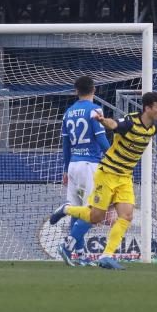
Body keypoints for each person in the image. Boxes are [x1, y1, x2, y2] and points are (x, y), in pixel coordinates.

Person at [49, 92, 157, 270]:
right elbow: (114, 124)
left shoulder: (152, 127)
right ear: (147, 108)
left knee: (126, 216)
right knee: (96, 216)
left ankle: (107, 255)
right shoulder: (130, 122)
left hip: (125, 177)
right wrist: (102, 120)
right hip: (107, 173)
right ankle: (66, 209)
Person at [58, 76, 110, 266]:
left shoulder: (69, 112)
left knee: (77, 211)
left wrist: (65, 170)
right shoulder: (95, 110)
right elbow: (101, 139)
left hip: (73, 164)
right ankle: (68, 245)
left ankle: (80, 254)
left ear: (75, 91)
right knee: (93, 212)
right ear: (94, 90)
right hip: (90, 165)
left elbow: (65, 145)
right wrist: (115, 157)